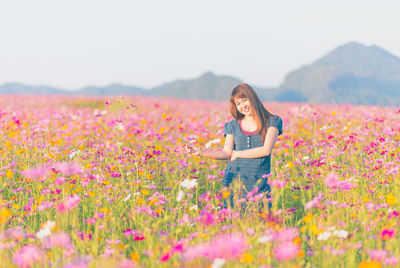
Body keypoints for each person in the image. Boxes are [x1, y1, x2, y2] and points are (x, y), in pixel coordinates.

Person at [185, 83, 283, 210]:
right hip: (234, 183)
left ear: (252, 98)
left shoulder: (273, 121)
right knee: (233, 222)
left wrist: (238, 153)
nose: (243, 106)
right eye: (238, 104)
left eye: (244, 100)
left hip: (259, 184)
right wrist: (201, 152)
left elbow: (266, 150)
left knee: (261, 220)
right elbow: (226, 153)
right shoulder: (232, 125)